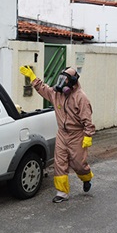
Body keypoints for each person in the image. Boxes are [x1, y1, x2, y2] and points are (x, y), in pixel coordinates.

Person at [19, 65, 95, 203]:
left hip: (76, 134)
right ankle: (62, 192)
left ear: (72, 82)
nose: (61, 82)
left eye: (64, 80)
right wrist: (32, 77)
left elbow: (87, 119)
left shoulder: (81, 98)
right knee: (59, 163)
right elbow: (43, 89)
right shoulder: (56, 94)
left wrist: (88, 135)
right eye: (60, 78)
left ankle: (86, 178)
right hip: (62, 134)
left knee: (78, 164)